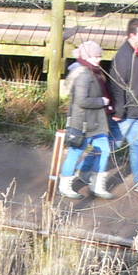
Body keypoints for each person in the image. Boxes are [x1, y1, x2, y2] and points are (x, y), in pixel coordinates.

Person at [56, 40, 115, 199]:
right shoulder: (83, 75)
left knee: (105, 151)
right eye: (95, 56)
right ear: (86, 56)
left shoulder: (93, 72)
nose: (98, 59)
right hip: (82, 124)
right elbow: (81, 101)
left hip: (96, 123)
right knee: (75, 154)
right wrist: (102, 102)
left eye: (99, 56)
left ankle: (97, 185)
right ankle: (65, 186)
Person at [107, 17, 138, 195]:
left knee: (137, 146)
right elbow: (117, 84)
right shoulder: (124, 57)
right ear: (132, 35)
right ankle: (83, 170)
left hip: (136, 111)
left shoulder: (135, 54)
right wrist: (119, 111)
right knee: (111, 145)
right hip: (127, 112)